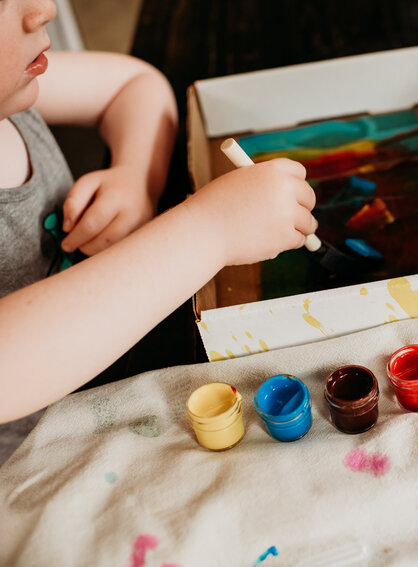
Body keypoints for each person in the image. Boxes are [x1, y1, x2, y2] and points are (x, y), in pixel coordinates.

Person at [0, 0, 317, 423]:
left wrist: (135, 177)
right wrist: (210, 230)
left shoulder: (12, 83)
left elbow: (133, 84)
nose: (44, 8)